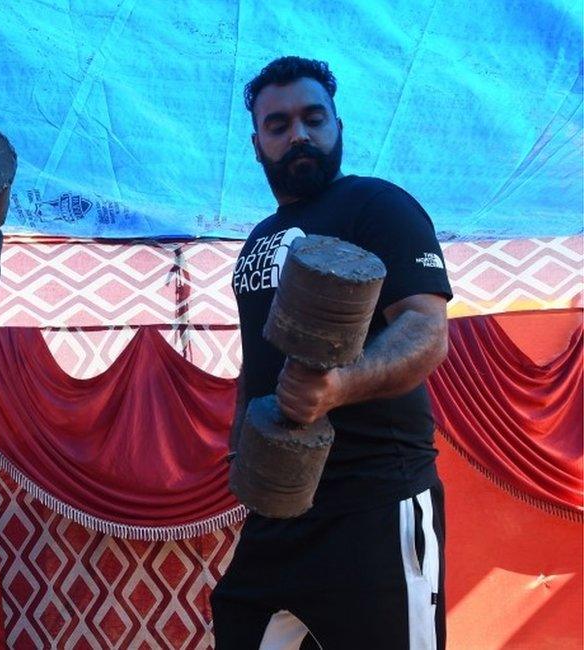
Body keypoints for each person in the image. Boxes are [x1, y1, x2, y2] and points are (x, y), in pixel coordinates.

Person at [211, 56, 453, 649]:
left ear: (337, 125)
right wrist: (241, 437)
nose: (298, 133)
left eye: (313, 118)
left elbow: (426, 329)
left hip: (375, 501)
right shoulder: (257, 239)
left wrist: (339, 385)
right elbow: (257, 359)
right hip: (280, 509)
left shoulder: (378, 206)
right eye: (279, 124)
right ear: (257, 144)